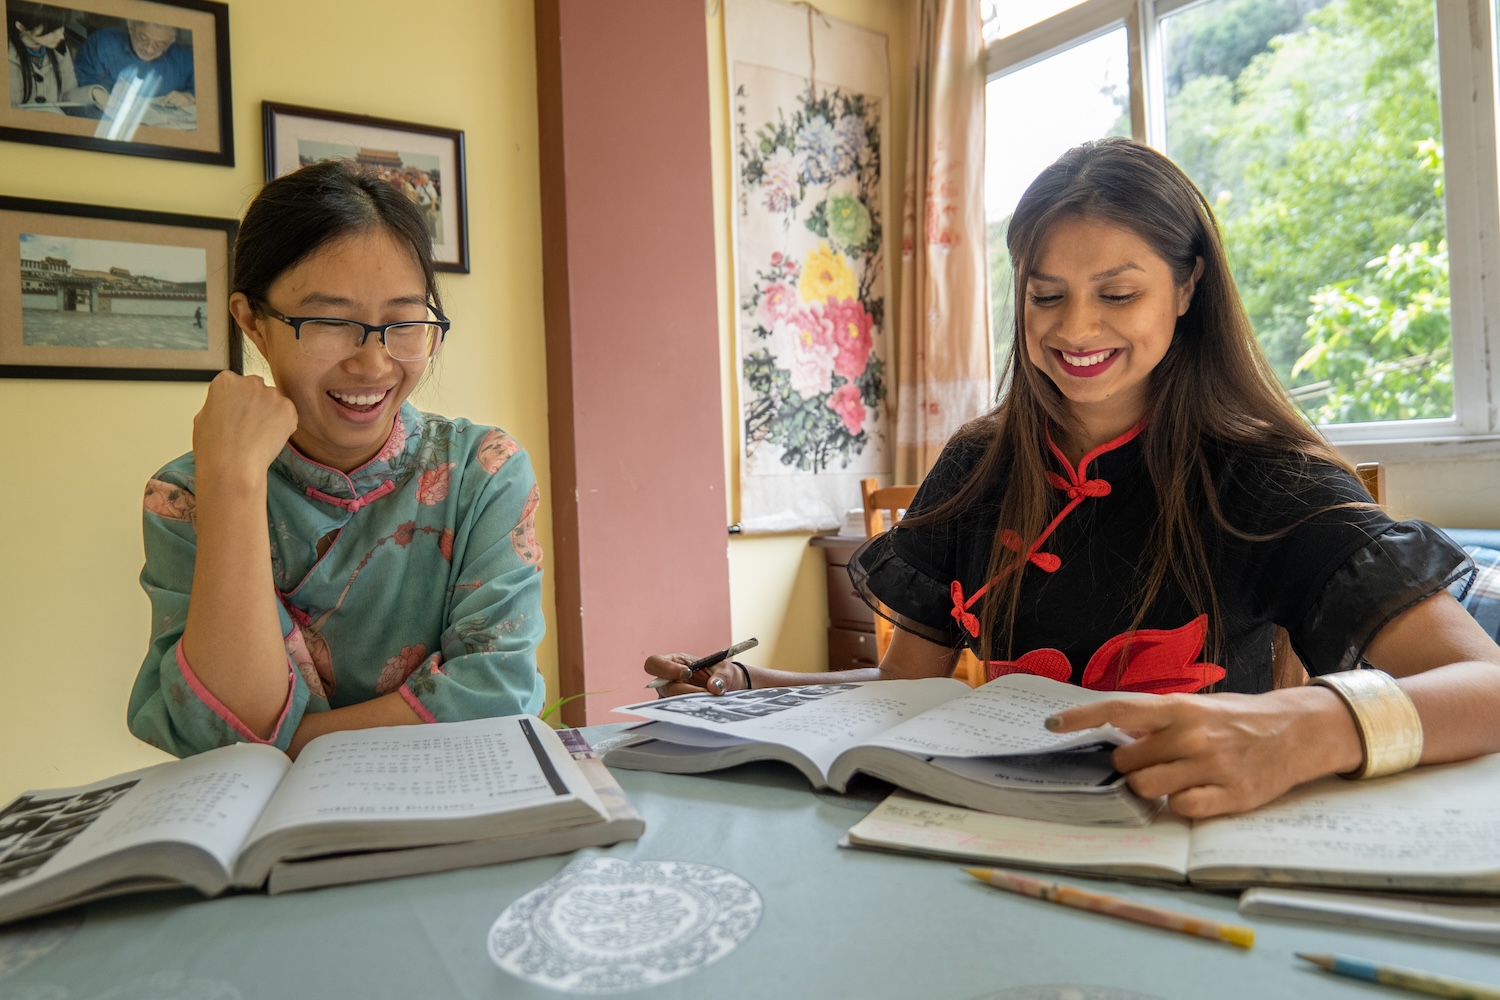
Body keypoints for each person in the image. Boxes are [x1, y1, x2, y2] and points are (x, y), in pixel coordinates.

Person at [645, 136, 1500, 818]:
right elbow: (902, 693)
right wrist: (746, 686)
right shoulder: (977, 468)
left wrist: (1307, 727)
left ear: (1187, 286)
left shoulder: (1268, 483)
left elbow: (1484, 687)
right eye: (1046, 295)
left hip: (1181, 841)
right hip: (978, 830)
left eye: (1118, 294)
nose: (1076, 327)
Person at [130, 160, 546, 759]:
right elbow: (216, 727)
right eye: (329, 323)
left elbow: (497, 697)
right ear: (252, 322)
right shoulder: (188, 498)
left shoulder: (481, 472)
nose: (373, 365)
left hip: (455, 815)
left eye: (403, 322)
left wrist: (288, 744)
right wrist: (234, 483)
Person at [67, 19, 192, 111]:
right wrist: (102, 93)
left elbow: (206, 89)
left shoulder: (183, 56)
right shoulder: (101, 42)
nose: (149, 49)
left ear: (171, 41)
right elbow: (76, 84)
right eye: (143, 38)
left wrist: (190, 96)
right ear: (131, 26)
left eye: (159, 45)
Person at [6, 2, 75, 109]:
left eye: (61, 27)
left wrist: (93, 93)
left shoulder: (61, 50)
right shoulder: (5, 52)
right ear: (21, 26)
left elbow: (68, 94)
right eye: (51, 30)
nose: (61, 36)